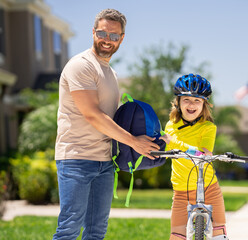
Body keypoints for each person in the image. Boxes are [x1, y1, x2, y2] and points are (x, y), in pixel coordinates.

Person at [53, 9, 160, 240]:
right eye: (102, 33)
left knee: (96, 231)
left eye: (114, 36)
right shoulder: (81, 65)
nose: (107, 40)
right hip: (76, 158)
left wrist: (155, 136)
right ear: (93, 32)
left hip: (104, 162)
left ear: (122, 38)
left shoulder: (110, 72)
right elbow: (93, 115)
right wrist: (133, 142)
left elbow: (115, 119)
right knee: (69, 229)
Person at [160, 74, 229, 240]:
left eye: (197, 100)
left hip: (209, 188)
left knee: (219, 232)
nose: (191, 105)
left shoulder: (208, 127)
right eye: (187, 100)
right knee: (177, 235)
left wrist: (174, 142)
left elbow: (203, 154)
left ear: (204, 104)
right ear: (178, 102)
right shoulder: (170, 125)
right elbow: (167, 153)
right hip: (181, 191)